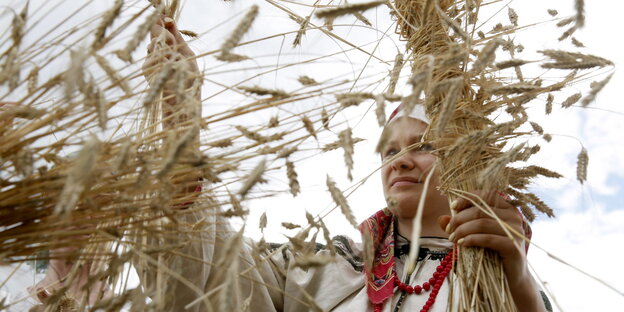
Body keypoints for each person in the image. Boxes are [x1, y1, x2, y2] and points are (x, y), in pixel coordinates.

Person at [30, 16, 552, 312]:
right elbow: (216, 291)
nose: (401, 161)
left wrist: (518, 280)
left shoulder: (495, 274)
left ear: (467, 166)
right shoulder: (330, 267)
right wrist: (181, 142)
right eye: (389, 150)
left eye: (423, 146)